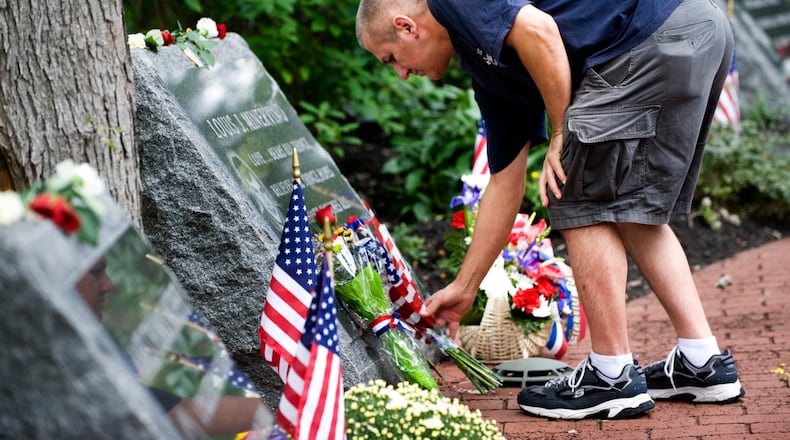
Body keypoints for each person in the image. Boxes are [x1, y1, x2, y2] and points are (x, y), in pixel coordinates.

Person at [356, 0, 745, 420]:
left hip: (651, 32)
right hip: (692, 27)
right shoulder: (490, 67)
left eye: (390, 58)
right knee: (628, 206)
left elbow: (539, 29)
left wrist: (563, 131)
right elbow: (505, 182)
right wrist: (466, 287)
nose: (399, 72)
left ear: (406, 26)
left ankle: (610, 376)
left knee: (573, 191)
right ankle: (702, 361)